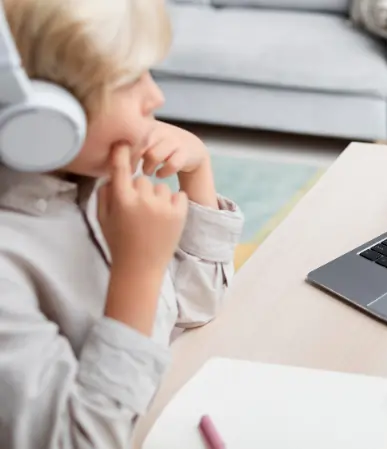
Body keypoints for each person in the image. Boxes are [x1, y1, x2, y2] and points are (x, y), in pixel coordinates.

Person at [0, 1, 244, 448]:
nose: (157, 97)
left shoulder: (95, 181)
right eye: (130, 79)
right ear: (45, 112)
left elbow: (194, 305)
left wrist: (197, 173)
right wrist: (138, 271)